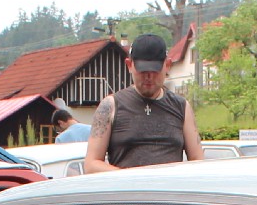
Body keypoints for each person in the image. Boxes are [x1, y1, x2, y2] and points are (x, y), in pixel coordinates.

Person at [84, 33, 203, 172]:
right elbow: (91, 164)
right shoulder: (111, 106)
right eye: (143, 70)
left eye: (155, 70)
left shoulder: (181, 107)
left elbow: (197, 161)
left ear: (167, 65)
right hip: (128, 185)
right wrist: (132, 178)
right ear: (129, 65)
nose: (149, 76)